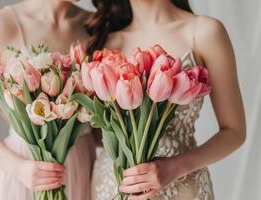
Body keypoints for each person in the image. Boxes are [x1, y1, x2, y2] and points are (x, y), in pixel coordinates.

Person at [86, 0, 246, 199]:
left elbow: (234, 131)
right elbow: (94, 134)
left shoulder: (204, 32)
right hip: (110, 187)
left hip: (182, 188)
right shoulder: (104, 43)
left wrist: (176, 167)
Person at [0, 0, 95, 199]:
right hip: (22, 173)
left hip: (80, 168)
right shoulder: (0, 25)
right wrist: (19, 168)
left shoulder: (96, 25)